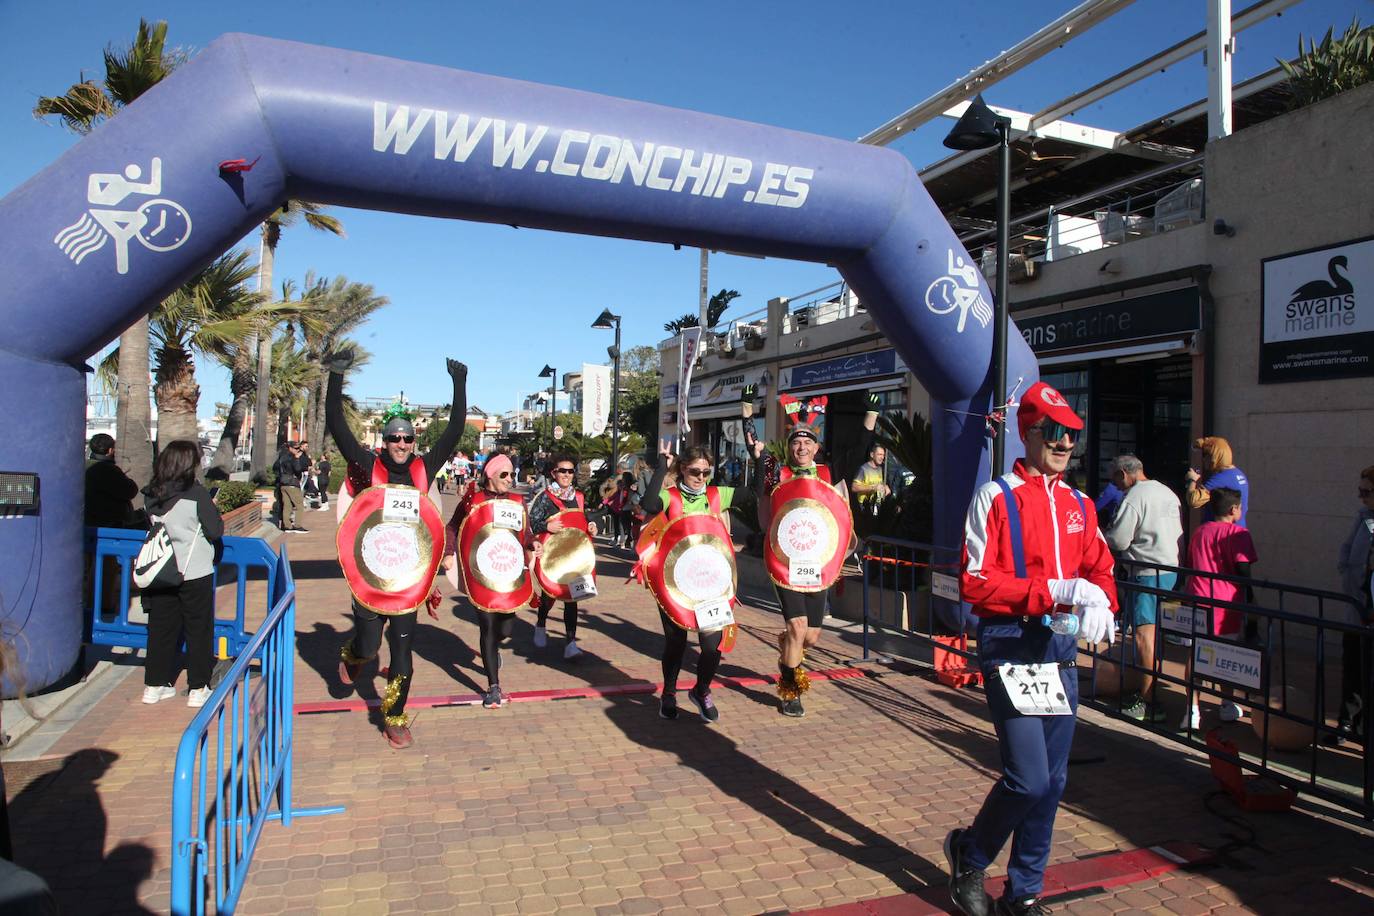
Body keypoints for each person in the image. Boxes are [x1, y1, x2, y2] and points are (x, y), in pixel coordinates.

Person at [945, 381, 1118, 916]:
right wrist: (1053, 592)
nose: (1065, 444)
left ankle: (1023, 892)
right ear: (1028, 433)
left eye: (1072, 435)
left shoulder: (1081, 504)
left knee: (1054, 781)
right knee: (1029, 777)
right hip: (1012, 645)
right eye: (1055, 433)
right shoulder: (994, 497)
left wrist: (1104, 605)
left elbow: (1101, 570)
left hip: (1059, 652)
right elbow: (975, 583)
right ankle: (971, 855)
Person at [326, 351, 467, 749]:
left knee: (402, 650)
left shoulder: (424, 468)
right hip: (372, 574)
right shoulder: (368, 466)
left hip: (408, 578)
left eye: (407, 438)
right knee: (370, 646)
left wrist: (459, 385)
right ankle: (353, 655)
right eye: (394, 438)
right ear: (384, 441)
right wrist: (336, 376)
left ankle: (394, 715)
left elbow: (455, 431)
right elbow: (337, 427)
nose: (401, 444)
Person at [744, 386, 879, 717]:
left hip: (818, 564)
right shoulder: (779, 472)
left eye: (807, 442)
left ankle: (788, 648)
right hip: (784, 561)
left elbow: (861, 449)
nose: (801, 446)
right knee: (798, 626)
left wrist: (871, 416)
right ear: (789, 447)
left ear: (816, 448)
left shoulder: (829, 474)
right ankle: (791, 689)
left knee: (812, 636)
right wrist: (747, 411)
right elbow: (755, 451)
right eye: (795, 442)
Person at [638, 443, 738, 722]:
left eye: (706, 472)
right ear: (683, 469)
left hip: (711, 583)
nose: (701, 477)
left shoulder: (718, 494)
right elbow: (648, 504)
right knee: (676, 641)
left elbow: (754, 494)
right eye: (695, 471)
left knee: (711, 644)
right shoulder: (671, 497)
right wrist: (661, 466)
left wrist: (761, 458)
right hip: (674, 582)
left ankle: (702, 690)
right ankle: (669, 692)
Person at [139, 440, 225, 709]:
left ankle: (154, 685)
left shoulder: (151, 494)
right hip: (193, 569)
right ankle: (198, 687)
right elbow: (215, 530)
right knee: (198, 629)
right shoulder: (196, 494)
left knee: (161, 629)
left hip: (160, 568)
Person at [446, 453, 531, 709]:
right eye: (504, 474)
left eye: (512, 474)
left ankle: (493, 650)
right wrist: (449, 553)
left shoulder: (517, 501)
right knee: (488, 627)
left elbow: (524, 533)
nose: (509, 479)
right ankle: (493, 686)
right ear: (489, 475)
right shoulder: (473, 500)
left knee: (505, 629)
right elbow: (452, 526)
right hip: (480, 573)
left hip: (509, 575)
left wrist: (532, 543)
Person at [1103, 454, 1183, 723]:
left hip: (1146, 571)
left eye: (1116, 479)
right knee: (1155, 635)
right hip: (1169, 570)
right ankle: (1150, 692)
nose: (1116, 486)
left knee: (1143, 637)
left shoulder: (1135, 496)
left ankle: (1149, 700)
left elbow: (1119, 538)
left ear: (1125, 473)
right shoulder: (1168, 493)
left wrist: (1102, 534)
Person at [1180, 487, 1257, 731]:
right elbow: (1244, 570)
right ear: (1234, 509)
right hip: (1225, 602)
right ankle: (1226, 702)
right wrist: (1252, 600)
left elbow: (1191, 562)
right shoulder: (1239, 534)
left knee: (1196, 653)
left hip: (1197, 597)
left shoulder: (1200, 532)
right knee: (1225, 654)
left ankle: (1192, 709)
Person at [528, 453, 598, 659]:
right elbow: (532, 522)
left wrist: (592, 526)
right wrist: (546, 525)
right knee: (549, 594)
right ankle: (541, 624)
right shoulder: (544, 497)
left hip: (575, 555)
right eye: (562, 471)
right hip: (553, 555)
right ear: (554, 473)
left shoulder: (578, 497)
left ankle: (570, 643)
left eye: (570, 471)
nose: (566, 475)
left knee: (572, 598)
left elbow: (584, 519)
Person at [1330, 465, 1374, 745]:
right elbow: (1347, 549)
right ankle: (1346, 722)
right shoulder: (1363, 517)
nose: (1361, 497)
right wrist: (1347, 571)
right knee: (1353, 666)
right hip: (1357, 605)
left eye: (1366, 491)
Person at [1185, 435, 1249, 527]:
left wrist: (1192, 480)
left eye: (1205, 455)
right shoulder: (1239, 474)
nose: (1203, 459)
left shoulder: (1221, 478)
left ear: (1214, 456)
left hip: (1220, 535)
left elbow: (1193, 500)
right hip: (1237, 531)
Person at [273, 440, 310, 532]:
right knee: (299, 505)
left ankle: (287, 526)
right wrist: (297, 459)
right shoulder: (292, 457)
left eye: (299, 448)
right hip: (292, 483)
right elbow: (297, 470)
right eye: (296, 448)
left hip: (283, 484)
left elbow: (275, 468)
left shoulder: (281, 457)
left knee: (287, 505)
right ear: (290, 448)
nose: (298, 450)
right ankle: (297, 526)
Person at [851, 442, 891, 518]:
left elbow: (880, 484)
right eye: (879, 454)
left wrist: (885, 487)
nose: (882, 457)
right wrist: (873, 488)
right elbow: (854, 487)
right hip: (864, 509)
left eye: (883, 455)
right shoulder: (863, 469)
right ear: (872, 455)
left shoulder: (880, 469)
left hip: (876, 508)